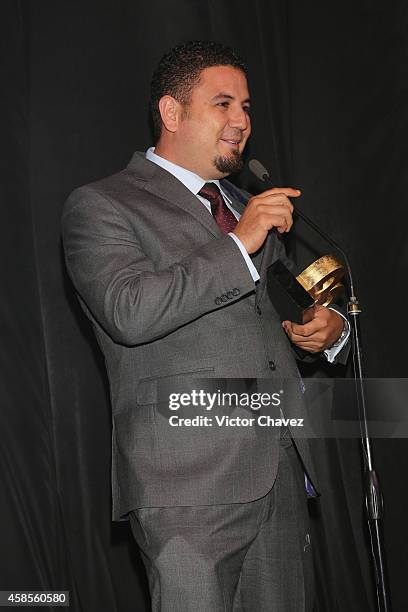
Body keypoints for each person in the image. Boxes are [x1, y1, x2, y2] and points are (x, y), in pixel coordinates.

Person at [62, 41, 349, 612]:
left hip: (280, 475)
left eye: (247, 107)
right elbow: (129, 310)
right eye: (223, 104)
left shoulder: (246, 205)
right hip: (187, 485)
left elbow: (284, 308)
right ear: (172, 113)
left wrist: (329, 328)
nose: (242, 121)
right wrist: (239, 242)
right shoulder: (103, 205)